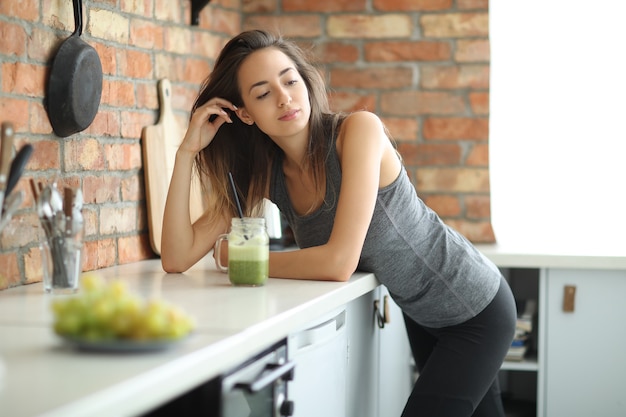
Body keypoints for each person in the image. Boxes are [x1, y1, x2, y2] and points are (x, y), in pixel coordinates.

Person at [161, 29, 517, 417]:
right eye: (263, 93)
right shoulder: (266, 174)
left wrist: (242, 259)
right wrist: (186, 151)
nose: (284, 98)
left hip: (474, 306)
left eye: (290, 80)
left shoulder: (358, 131)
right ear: (244, 113)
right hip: (422, 314)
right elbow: (177, 257)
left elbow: (338, 263)